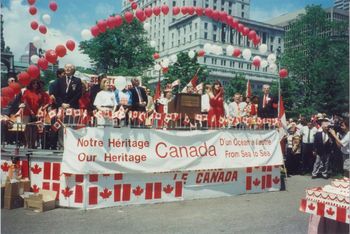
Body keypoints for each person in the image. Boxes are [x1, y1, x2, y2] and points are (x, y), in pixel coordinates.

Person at [20, 79, 51, 148]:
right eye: (33, 83)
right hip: (27, 112)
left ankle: (33, 144)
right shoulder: (26, 91)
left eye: (37, 83)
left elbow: (45, 102)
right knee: (27, 128)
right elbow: (25, 102)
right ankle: (28, 143)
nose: (35, 85)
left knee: (34, 128)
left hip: (36, 112)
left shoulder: (40, 93)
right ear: (31, 84)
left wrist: (40, 109)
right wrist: (31, 111)